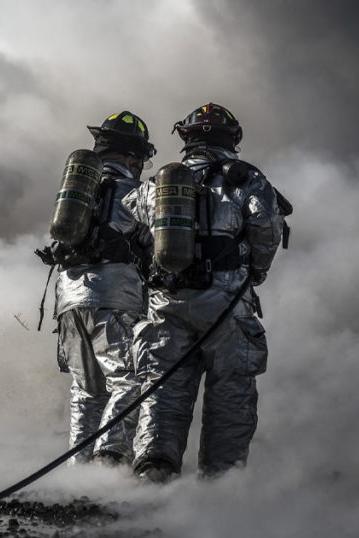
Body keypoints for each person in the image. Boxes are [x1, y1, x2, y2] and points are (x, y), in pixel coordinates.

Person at [120, 103, 289, 481]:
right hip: (227, 303)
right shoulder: (247, 179)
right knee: (230, 393)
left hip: (166, 302)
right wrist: (256, 271)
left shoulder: (158, 185)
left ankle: (154, 472)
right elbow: (267, 226)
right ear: (233, 138)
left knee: (164, 390)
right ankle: (219, 485)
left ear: (187, 139)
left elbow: (129, 222)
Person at [38, 111, 156, 466]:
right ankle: (108, 460)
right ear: (133, 158)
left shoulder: (75, 198)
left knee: (85, 390)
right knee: (129, 381)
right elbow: (156, 250)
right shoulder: (137, 192)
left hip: (69, 299)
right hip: (115, 298)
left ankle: (79, 470)